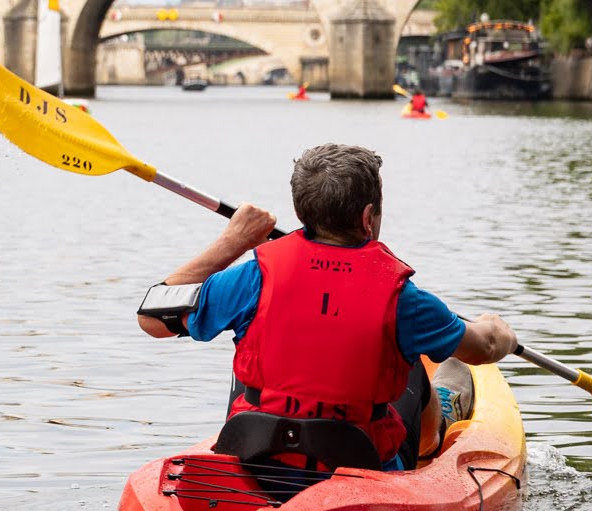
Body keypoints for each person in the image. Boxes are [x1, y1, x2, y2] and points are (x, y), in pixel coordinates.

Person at [137, 143, 517, 470]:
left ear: (303, 212)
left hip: (256, 449)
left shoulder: (254, 277)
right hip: (358, 460)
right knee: (413, 362)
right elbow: (481, 349)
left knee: (251, 340)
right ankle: (429, 445)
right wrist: (496, 328)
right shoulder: (403, 300)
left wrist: (233, 241)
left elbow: (152, 318)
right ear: (368, 217)